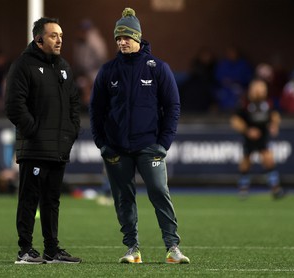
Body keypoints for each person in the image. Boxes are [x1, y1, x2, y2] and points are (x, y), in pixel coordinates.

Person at [89, 7, 190, 264]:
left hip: (149, 146)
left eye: (126, 37)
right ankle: (132, 249)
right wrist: (103, 144)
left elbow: (173, 107)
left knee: (159, 192)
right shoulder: (108, 70)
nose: (121, 41)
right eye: (118, 38)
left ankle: (173, 247)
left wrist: (163, 143)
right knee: (124, 199)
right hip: (117, 148)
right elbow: (95, 110)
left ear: (137, 37)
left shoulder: (158, 68)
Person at [5, 17, 82, 264]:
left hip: (58, 147)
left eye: (61, 35)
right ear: (39, 39)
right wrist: (34, 132)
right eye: (53, 35)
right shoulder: (23, 65)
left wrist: (71, 132)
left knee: (52, 200)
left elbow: (74, 105)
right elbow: (14, 106)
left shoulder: (64, 68)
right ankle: (25, 249)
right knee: (29, 198)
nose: (59, 39)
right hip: (35, 147)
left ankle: (52, 250)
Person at [230, 78, 285, 199]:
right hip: (249, 136)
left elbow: (275, 115)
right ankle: (243, 187)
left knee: (268, 159)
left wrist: (274, 125)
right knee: (246, 161)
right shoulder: (245, 102)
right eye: (257, 88)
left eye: (262, 88)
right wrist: (247, 130)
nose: (259, 91)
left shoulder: (269, 102)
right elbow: (235, 120)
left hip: (263, 135)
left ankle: (275, 188)